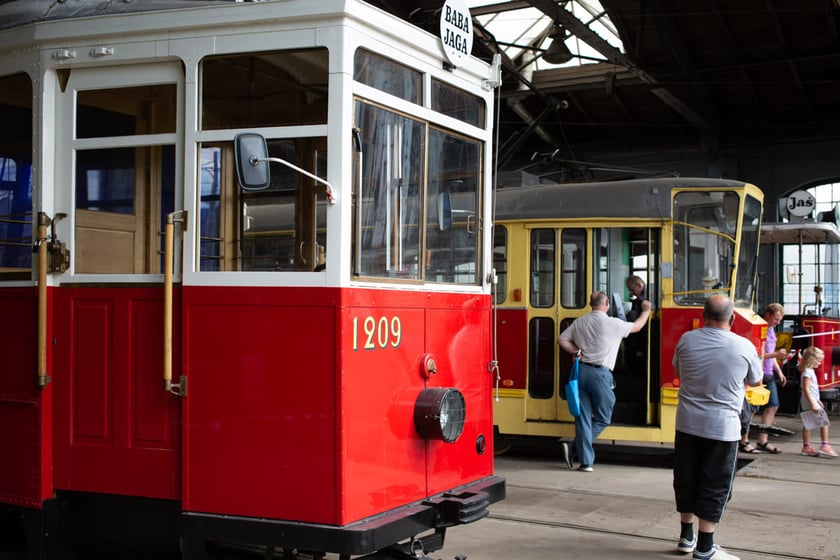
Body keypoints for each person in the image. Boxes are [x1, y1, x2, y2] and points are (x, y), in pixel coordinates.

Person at [671, 295, 763, 560]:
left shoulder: (687, 339)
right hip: (722, 430)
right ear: (732, 319)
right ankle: (705, 548)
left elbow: (678, 372)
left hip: (687, 424)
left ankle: (686, 537)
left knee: (686, 479)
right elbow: (756, 380)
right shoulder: (744, 346)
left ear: (703, 315)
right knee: (715, 483)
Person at [557, 291, 651, 472]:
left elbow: (562, 339)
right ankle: (574, 448)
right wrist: (646, 311)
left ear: (590, 303)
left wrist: (575, 351)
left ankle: (586, 463)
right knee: (603, 418)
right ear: (607, 302)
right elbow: (637, 327)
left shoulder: (580, 321)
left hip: (580, 371)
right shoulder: (613, 324)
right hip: (600, 375)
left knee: (582, 417)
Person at [755, 303, 787, 454]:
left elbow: (771, 354)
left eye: (779, 320)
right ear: (767, 315)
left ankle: (763, 440)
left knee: (773, 405)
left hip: (768, 372)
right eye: (776, 319)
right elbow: (757, 354)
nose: (777, 322)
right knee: (752, 408)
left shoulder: (772, 330)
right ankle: (743, 440)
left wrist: (779, 371)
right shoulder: (759, 329)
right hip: (759, 372)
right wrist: (776, 355)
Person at [798, 346, 838, 458]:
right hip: (810, 401)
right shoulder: (807, 372)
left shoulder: (808, 371)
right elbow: (806, 389)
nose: (820, 363)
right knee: (824, 422)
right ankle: (825, 445)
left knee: (808, 424)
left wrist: (817, 400)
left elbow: (810, 389)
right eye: (819, 361)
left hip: (810, 401)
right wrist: (813, 403)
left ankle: (806, 447)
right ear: (812, 360)